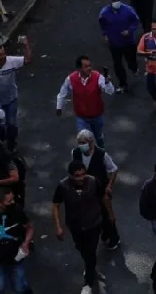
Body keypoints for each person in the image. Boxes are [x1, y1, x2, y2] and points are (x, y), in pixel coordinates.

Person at [52, 160, 106, 294]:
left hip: (94, 223)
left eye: (83, 174)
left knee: (91, 252)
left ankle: (88, 282)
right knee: (82, 249)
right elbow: (55, 204)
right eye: (77, 175)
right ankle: (91, 267)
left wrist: (109, 215)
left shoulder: (93, 181)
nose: (81, 178)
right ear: (70, 175)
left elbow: (103, 198)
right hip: (75, 226)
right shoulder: (63, 186)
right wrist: (58, 226)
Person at [72, 129, 120, 250]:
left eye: (83, 142)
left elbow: (113, 170)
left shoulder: (101, 154)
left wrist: (109, 186)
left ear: (91, 141)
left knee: (107, 215)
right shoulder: (75, 153)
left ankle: (114, 238)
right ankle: (105, 234)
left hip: (101, 191)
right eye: (79, 142)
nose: (81, 145)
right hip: (86, 192)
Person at [56, 55, 115, 149]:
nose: (89, 68)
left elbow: (110, 91)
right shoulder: (71, 79)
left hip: (96, 115)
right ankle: (87, 160)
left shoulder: (97, 77)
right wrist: (59, 107)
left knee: (98, 137)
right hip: (81, 117)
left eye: (89, 65)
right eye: (86, 66)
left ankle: (102, 153)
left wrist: (107, 82)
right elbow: (63, 92)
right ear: (79, 69)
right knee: (83, 141)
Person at [98, 0, 139, 94]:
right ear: (110, 2)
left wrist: (129, 31)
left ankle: (133, 67)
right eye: (114, 1)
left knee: (131, 59)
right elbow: (102, 24)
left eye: (117, 0)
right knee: (118, 64)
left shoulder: (128, 10)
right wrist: (105, 35)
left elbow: (136, 21)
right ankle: (122, 84)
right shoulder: (104, 13)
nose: (116, 2)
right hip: (114, 43)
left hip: (128, 42)